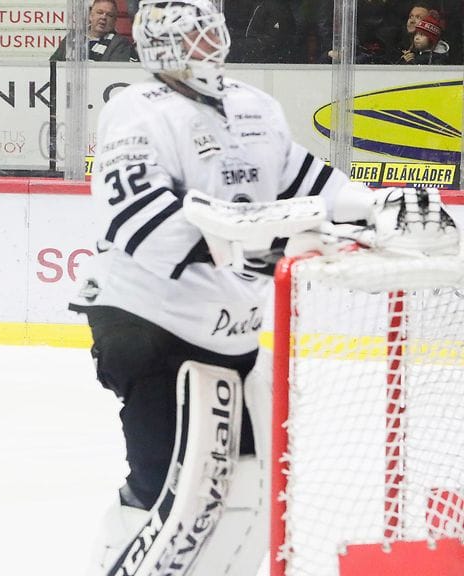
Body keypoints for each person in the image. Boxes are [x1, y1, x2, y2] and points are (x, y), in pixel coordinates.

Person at [68, 1, 450, 574]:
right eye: (181, 40)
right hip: (146, 321)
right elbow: (138, 220)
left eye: (202, 34)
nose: (196, 49)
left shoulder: (253, 105)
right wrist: (255, 244)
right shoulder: (135, 110)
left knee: (242, 485)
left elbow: (308, 180)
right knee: (173, 486)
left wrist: (376, 203)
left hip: (228, 329)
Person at [50, 0, 132, 62]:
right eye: (99, 12)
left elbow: (113, 74)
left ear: (114, 21)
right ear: (90, 16)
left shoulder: (120, 44)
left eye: (109, 15)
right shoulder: (72, 36)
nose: (103, 17)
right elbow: (53, 63)